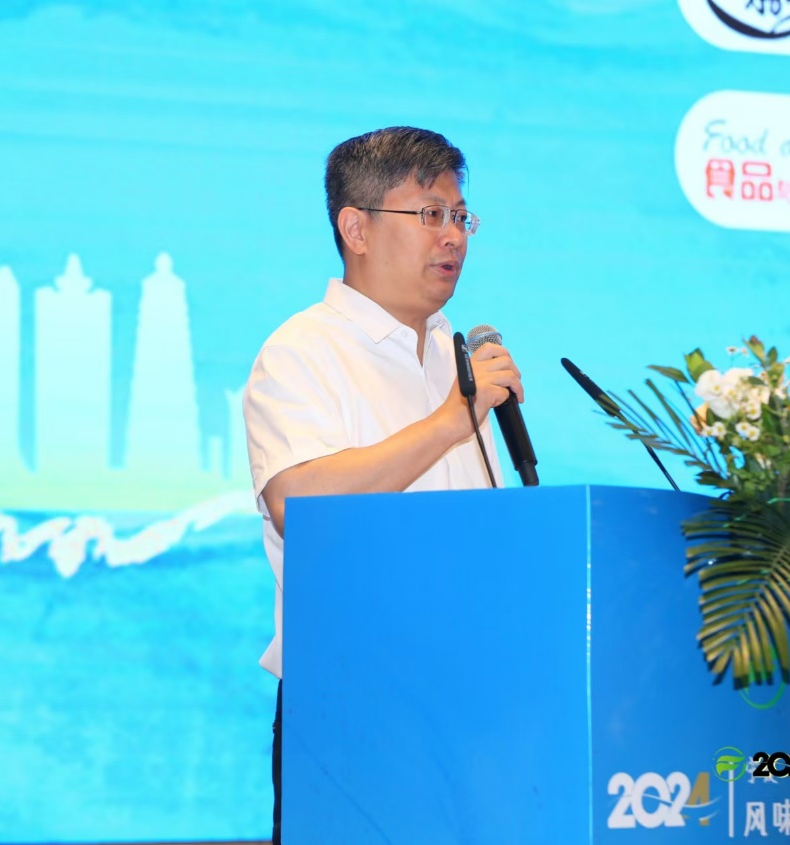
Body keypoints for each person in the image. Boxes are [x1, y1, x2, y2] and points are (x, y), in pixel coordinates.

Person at [241, 126, 524, 844]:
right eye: (429, 214)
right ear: (356, 228)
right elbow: (300, 503)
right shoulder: (303, 351)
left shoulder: (456, 356)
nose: (453, 236)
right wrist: (452, 420)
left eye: (460, 216)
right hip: (356, 705)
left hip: (476, 703)